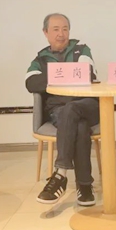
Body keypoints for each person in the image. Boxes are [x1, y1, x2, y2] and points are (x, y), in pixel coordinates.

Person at [26, 13, 99, 206]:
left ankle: (60, 173)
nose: (61, 34)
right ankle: (85, 185)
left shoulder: (81, 49)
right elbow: (31, 82)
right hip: (58, 109)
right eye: (56, 29)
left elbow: (87, 73)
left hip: (87, 104)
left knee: (72, 108)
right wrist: (67, 74)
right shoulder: (41, 58)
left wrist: (52, 76)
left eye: (65, 29)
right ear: (45, 32)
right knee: (79, 126)